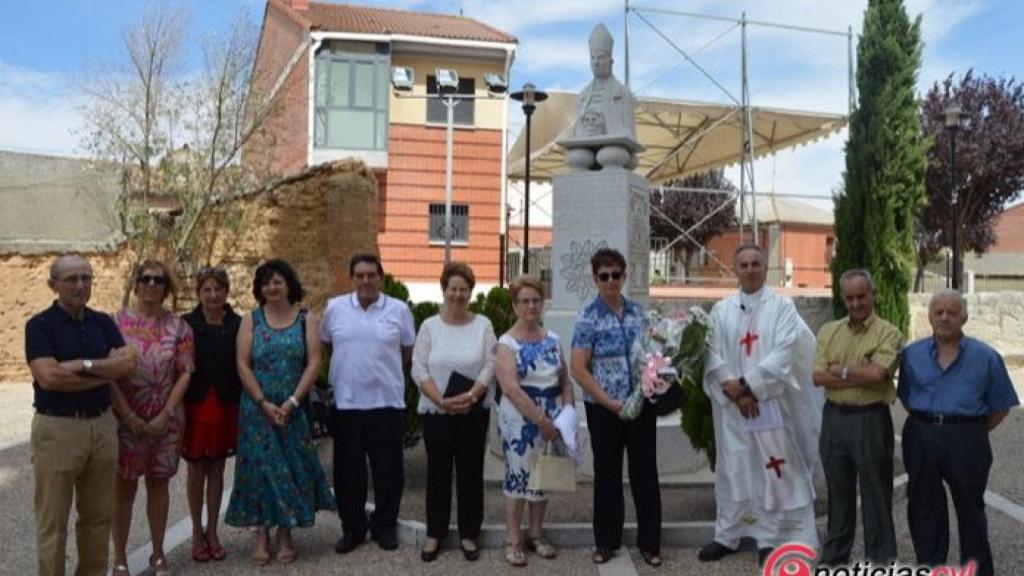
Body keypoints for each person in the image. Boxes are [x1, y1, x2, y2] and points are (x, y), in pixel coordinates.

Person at [698, 244, 820, 566]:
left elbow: (784, 352)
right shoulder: (721, 310)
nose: (750, 270)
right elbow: (712, 353)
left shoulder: (782, 307)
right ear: (735, 270)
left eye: (756, 264)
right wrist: (734, 391)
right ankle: (727, 534)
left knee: (772, 470)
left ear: (766, 268)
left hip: (769, 405)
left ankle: (769, 537)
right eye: (744, 265)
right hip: (732, 408)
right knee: (733, 468)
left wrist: (749, 385)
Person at [25, 254, 138, 576]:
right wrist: (106, 371)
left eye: (86, 278)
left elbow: (129, 364)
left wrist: (82, 365)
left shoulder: (103, 322)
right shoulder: (40, 326)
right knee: (53, 523)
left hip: (102, 426)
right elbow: (50, 378)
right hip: (58, 429)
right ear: (53, 284)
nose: (80, 285)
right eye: (72, 279)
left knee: (98, 518)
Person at [898, 289, 1019, 576]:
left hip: (967, 439)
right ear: (929, 316)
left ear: (963, 317)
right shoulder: (912, 355)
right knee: (924, 507)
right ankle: (930, 565)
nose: (944, 317)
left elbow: (1001, 405)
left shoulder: (986, 357)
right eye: (938, 312)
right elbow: (905, 394)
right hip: (921, 435)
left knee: (970, 509)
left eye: (951, 312)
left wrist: (972, 431)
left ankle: (976, 569)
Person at [225, 259, 335, 565]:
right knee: (259, 471)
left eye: (278, 281)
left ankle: (285, 531)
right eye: (266, 282)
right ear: (260, 289)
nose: (272, 287)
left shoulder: (305, 319)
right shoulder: (252, 320)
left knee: (290, 469)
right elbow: (242, 364)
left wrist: (291, 402)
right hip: (257, 409)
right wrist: (262, 402)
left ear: (288, 284)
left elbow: (314, 363)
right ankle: (260, 532)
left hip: (293, 409)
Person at [570, 248, 662, 567]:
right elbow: (578, 367)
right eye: (604, 276)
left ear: (625, 276)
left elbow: (653, 354)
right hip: (604, 409)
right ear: (595, 279)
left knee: (645, 474)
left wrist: (653, 379)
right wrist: (607, 401)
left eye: (616, 275)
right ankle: (606, 541)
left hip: (640, 404)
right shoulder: (587, 317)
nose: (611, 281)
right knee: (607, 476)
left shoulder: (639, 313)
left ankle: (650, 543)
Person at [321, 253, 416, 554]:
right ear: (352, 279)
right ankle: (353, 529)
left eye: (371, 275)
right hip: (346, 403)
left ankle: (384, 526)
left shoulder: (399, 310)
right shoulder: (334, 309)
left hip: (386, 402)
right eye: (359, 275)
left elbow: (406, 352)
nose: (365, 281)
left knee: (388, 470)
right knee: (348, 473)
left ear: (381, 278)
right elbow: (326, 345)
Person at [110, 259, 195, 576]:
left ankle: (158, 554)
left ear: (167, 288)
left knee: (159, 486)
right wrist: (130, 416)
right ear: (135, 283)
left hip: (166, 421)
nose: (151, 285)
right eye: (145, 279)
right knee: (123, 490)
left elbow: (185, 372)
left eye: (158, 281)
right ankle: (119, 559)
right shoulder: (114, 324)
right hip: (124, 420)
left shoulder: (179, 327)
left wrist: (165, 413)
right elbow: (109, 377)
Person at [813, 269, 903, 565]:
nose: (855, 304)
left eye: (861, 296)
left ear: (873, 294)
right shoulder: (829, 331)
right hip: (834, 420)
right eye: (849, 298)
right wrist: (859, 375)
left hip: (871, 421)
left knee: (876, 495)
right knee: (838, 493)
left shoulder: (889, 333)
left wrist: (839, 370)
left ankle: (880, 562)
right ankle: (834, 559)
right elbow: (817, 376)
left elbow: (878, 374)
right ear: (843, 298)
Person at [411, 262, 497, 562]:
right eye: (453, 288)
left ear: (470, 292)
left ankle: (469, 533)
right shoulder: (429, 327)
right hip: (438, 411)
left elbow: (491, 363)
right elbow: (418, 367)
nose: (458, 294)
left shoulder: (483, 324)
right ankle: (435, 533)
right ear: (444, 290)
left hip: (473, 410)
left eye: (464, 289)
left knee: (470, 472)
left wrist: (473, 395)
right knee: (438, 472)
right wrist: (441, 401)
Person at [494, 276, 574, 567]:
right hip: (521, 419)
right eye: (524, 301)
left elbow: (565, 380)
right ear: (515, 306)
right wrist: (540, 420)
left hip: (552, 416)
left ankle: (536, 534)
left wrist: (568, 414)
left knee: (543, 476)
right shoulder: (507, 343)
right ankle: (513, 538)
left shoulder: (553, 340)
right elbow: (510, 388)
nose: (531, 306)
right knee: (518, 476)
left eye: (536, 300)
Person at [181, 266, 241, 563]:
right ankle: (195, 531)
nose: (213, 295)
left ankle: (213, 531)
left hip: (227, 402)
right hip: (196, 403)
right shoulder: (186, 324)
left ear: (226, 292)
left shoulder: (238, 324)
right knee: (196, 468)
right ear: (199, 293)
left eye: (218, 289)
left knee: (216, 467)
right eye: (207, 289)